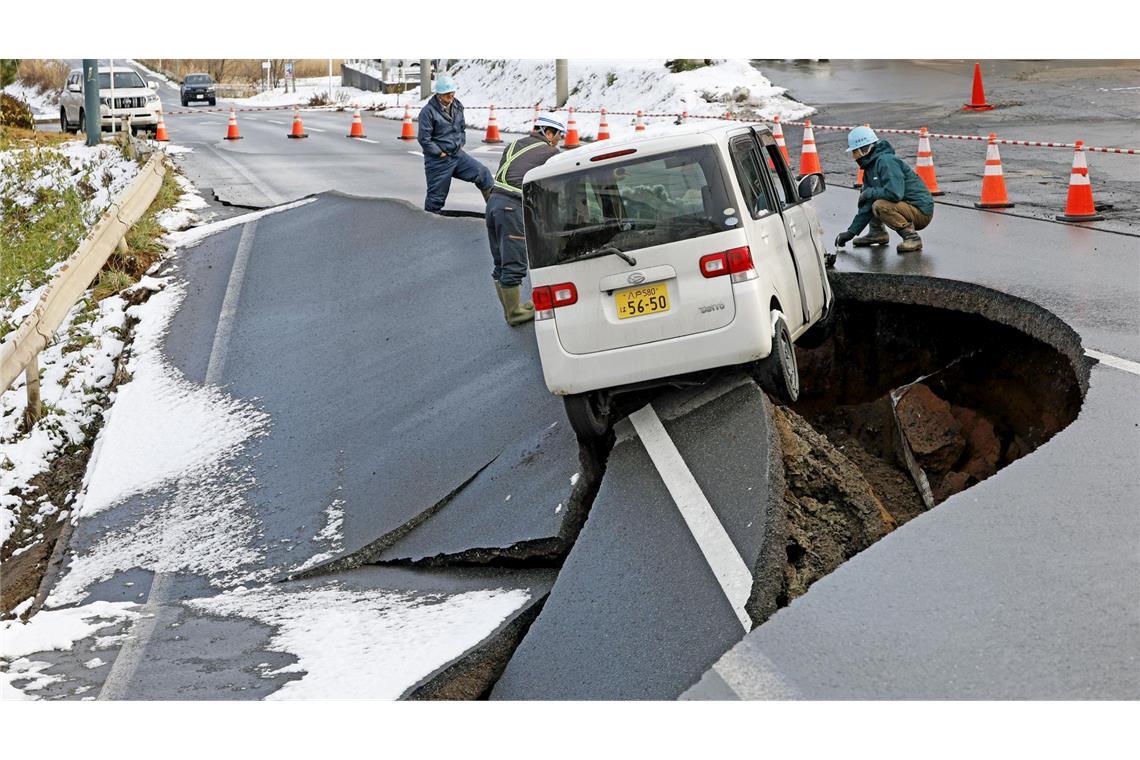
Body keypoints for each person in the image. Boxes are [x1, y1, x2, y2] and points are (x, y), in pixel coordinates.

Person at [485, 115, 565, 326]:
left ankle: (510, 310)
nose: (559, 141)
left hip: (494, 203)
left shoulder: (514, 145)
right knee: (515, 260)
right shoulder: (549, 152)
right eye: (558, 136)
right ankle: (515, 314)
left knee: (500, 261)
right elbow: (552, 188)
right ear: (549, 133)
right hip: (512, 207)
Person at [834, 126, 934, 254]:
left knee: (879, 204)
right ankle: (877, 233)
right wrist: (850, 232)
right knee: (872, 198)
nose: (853, 156)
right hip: (906, 208)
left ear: (864, 149)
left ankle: (912, 238)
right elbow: (867, 206)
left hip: (920, 211)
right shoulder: (870, 168)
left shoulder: (886, 162)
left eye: (854, 151)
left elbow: (895, 194)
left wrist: (869, 193)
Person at [418, 74, 493, 213]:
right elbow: (424, 139)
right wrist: (439, 152)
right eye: (447, 94)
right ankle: (428, 226)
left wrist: (461, 142)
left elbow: (461, 128)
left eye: (452, 93)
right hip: (438, 161)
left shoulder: (457, 106)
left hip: (457, 155)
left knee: (484, 174)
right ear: (439, 95)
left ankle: (495, 213)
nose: (451, 96)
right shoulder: (427, 112)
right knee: (435, 200)